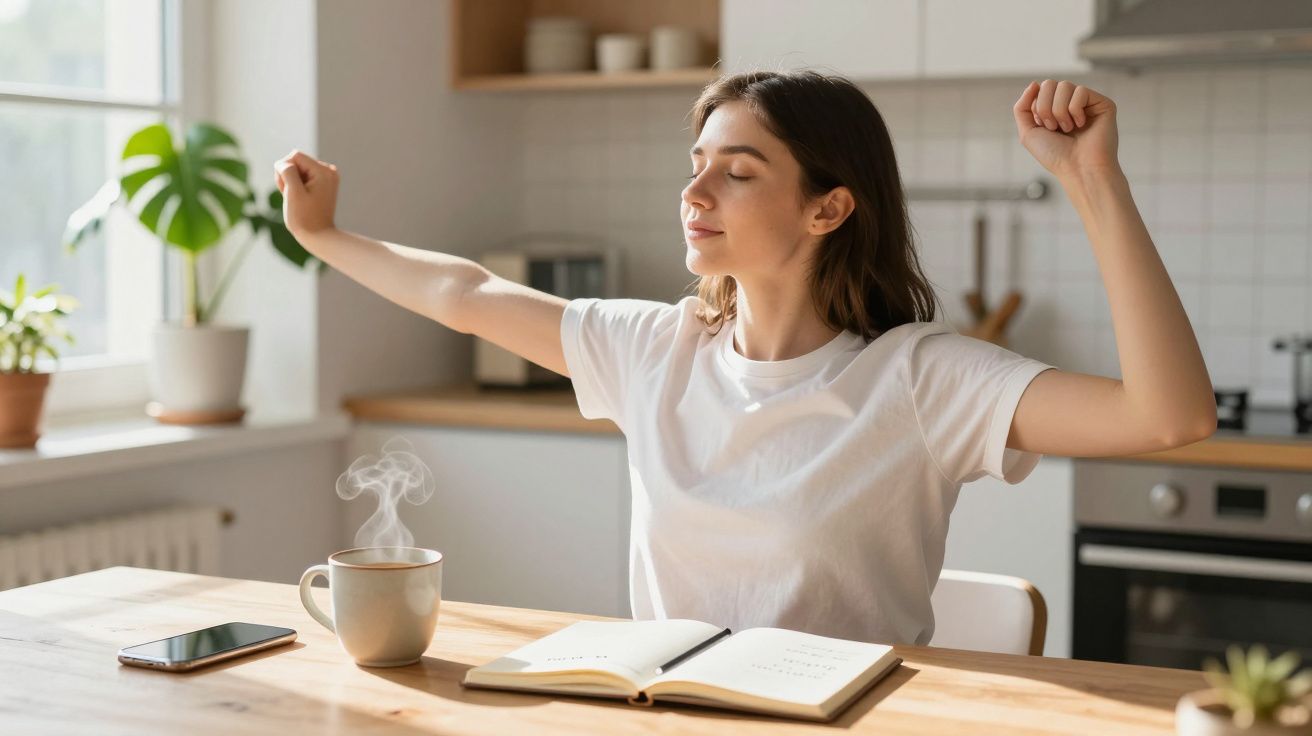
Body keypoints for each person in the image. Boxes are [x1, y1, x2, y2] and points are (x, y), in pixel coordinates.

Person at [274, 72, 1216, 646]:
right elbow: (464, 296)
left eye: (738, 169)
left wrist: (1095, 182)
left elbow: (1170, 416)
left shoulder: (922, 378)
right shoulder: (656, 350)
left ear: (828, 208)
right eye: (696, 161)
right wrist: (323, 236)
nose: (696, 189)